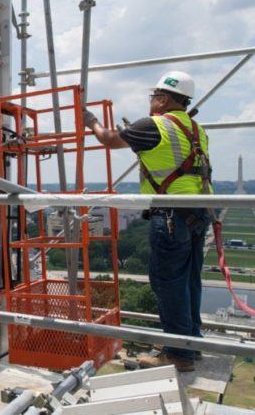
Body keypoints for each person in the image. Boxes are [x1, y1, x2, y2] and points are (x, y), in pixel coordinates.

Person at [83, 71, 212, 372]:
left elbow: (107, 139)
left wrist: (89, 119)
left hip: (170, 215)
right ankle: (191, 341)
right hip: (198, 212)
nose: (151, 101)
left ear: (164, 99)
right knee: (189, 279)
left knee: (167, 282)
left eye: (153, 96)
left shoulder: (154, 125)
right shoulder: (195, 128)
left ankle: (179, 352)